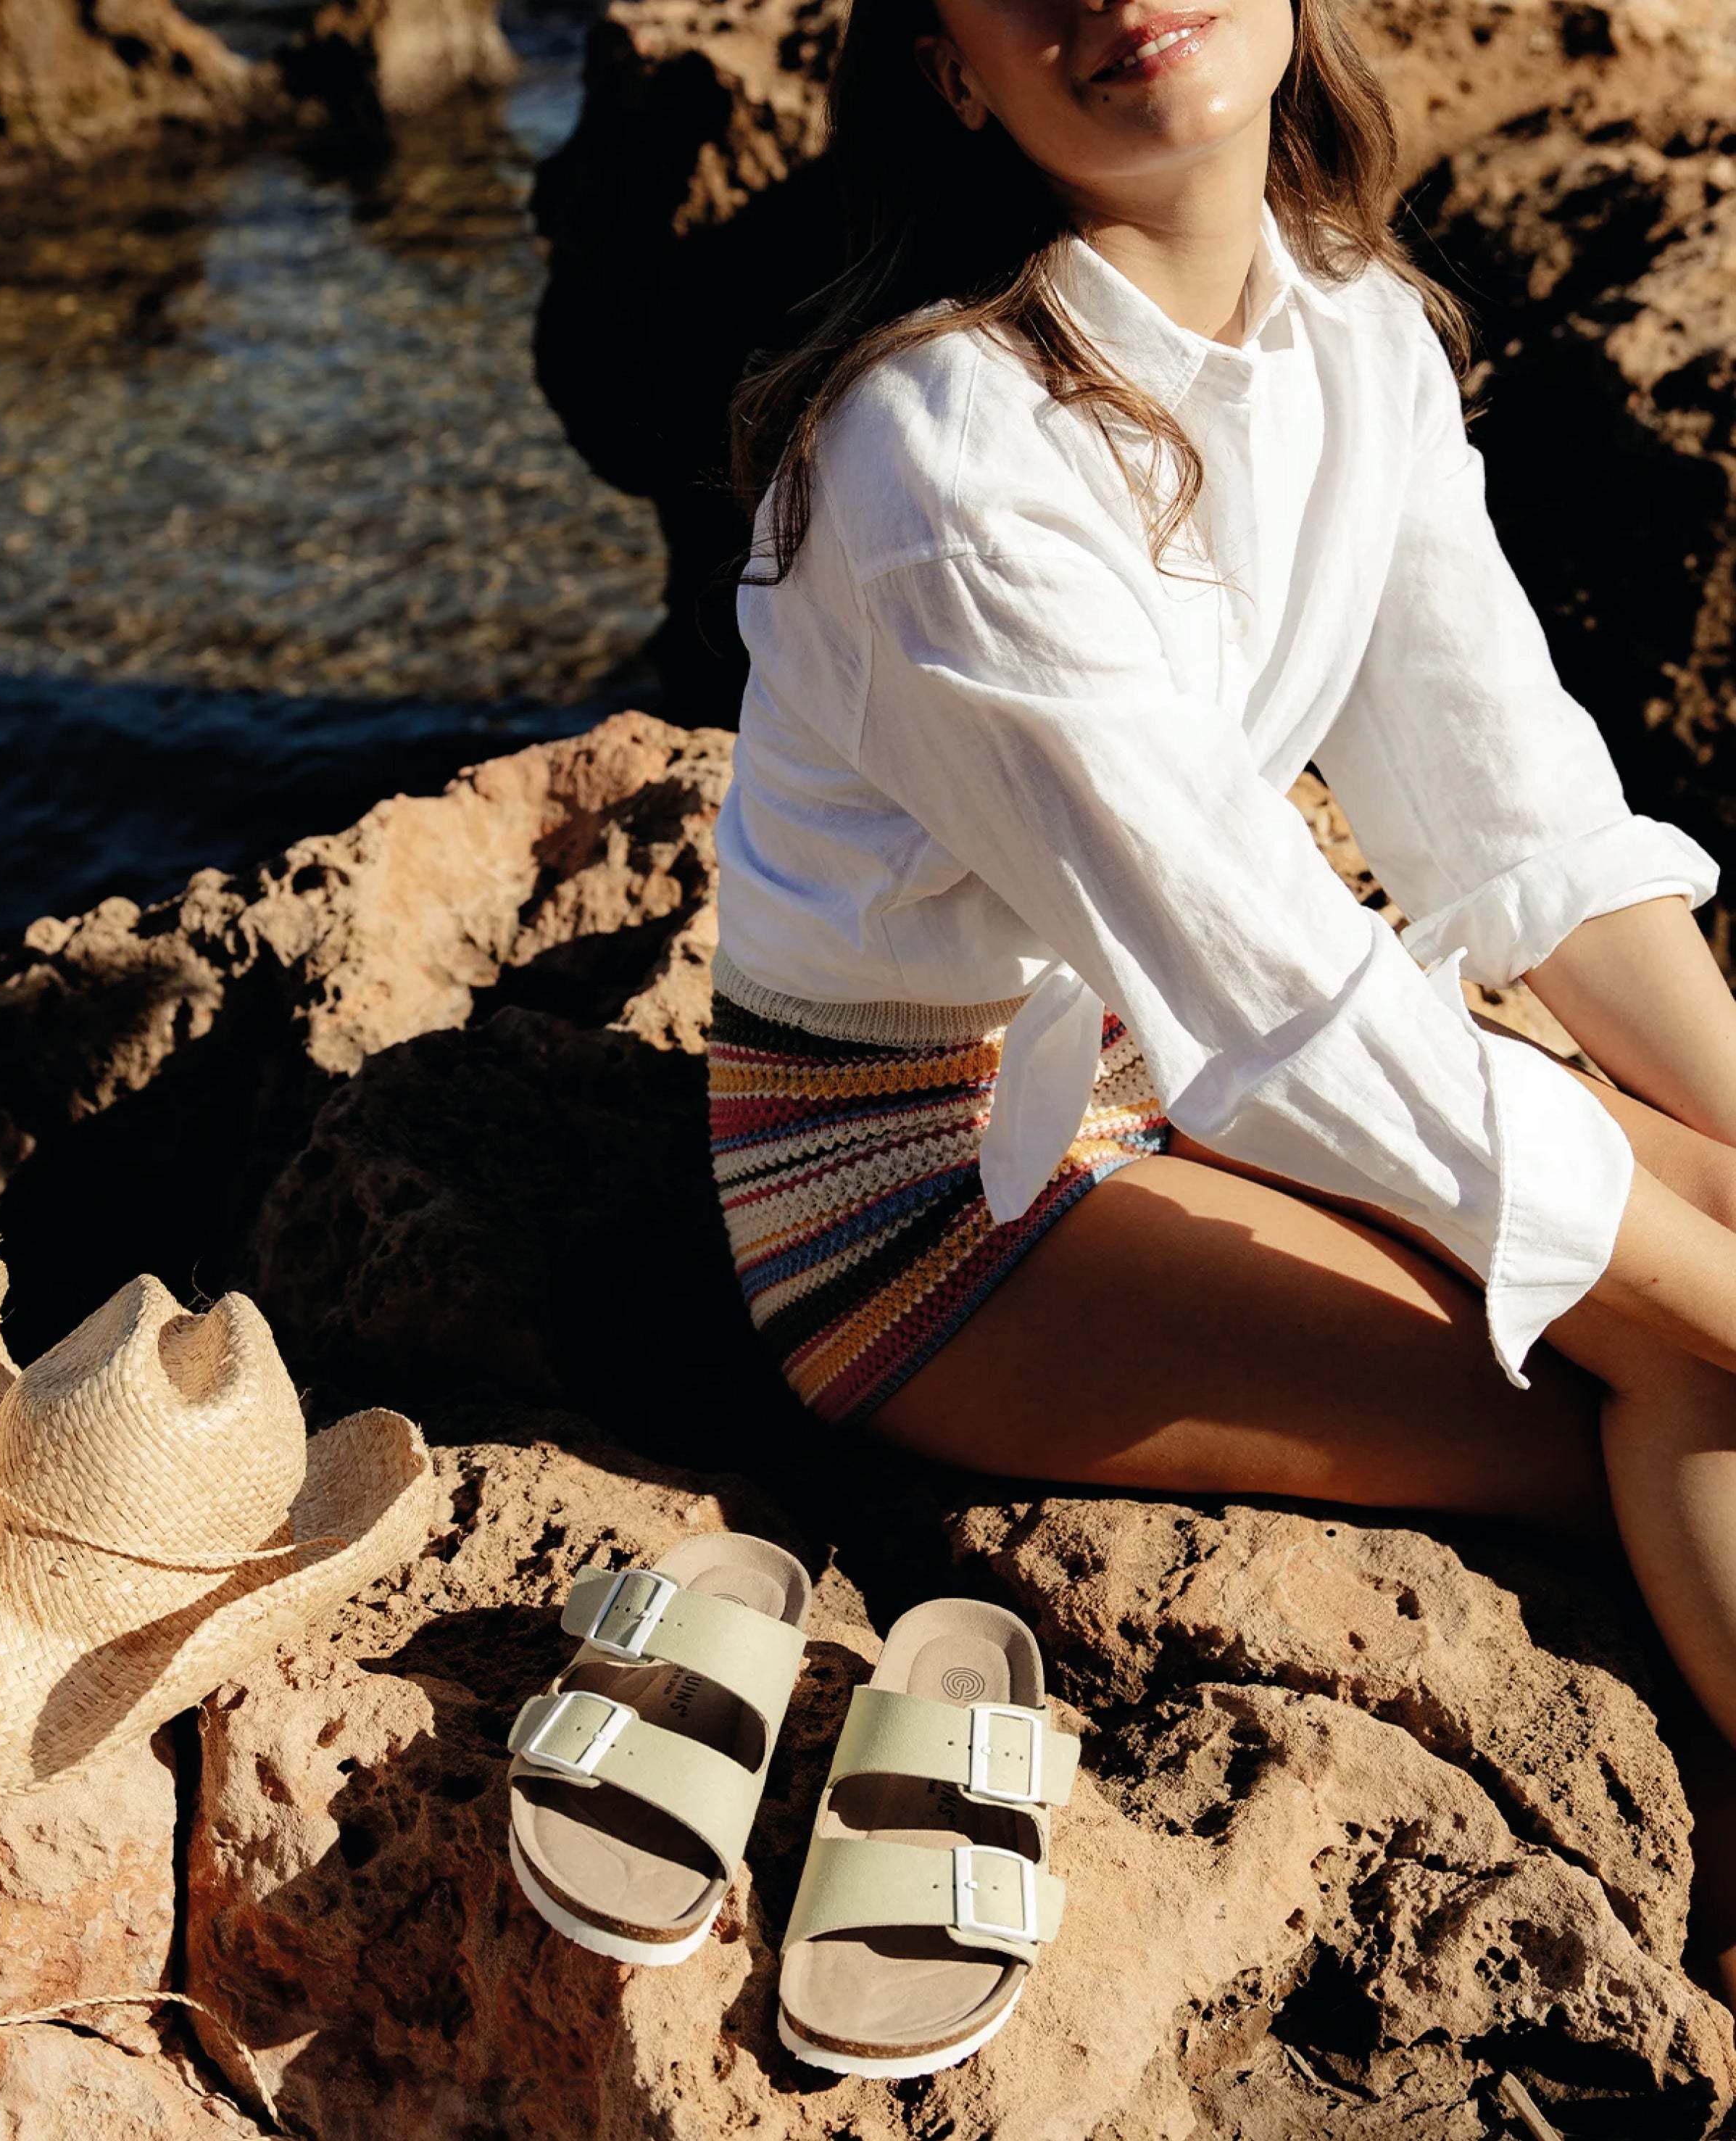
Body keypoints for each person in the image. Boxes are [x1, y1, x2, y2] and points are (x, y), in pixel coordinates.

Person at [702, 0, 1736, 2000]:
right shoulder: (942, 454)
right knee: (1677, 1359)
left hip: (1167, 1073)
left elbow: (1518, 820)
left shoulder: (1349, 325)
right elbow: (1282, 1005)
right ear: (951, 66)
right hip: (913, 1190)